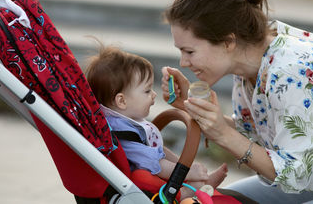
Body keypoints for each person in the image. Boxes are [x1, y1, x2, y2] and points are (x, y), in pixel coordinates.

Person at [161, 0, 313, 203]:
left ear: (228, 42)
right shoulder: (249, 60)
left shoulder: (290, 70)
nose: (183, 63)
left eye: (189, 51)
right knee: (220, 200)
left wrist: (222, 132)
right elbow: (257, 137)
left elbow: (293, 175)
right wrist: (194, 109)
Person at [85, 43, 228, 200]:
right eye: (147, 91)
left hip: (150, 172)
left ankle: (199, 181)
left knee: (162, 151)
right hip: (143, 186)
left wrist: (186, 167)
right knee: (146, 173)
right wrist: (188, 172)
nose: (154, 94)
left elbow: (157, 151)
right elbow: (154, 163)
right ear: (122, 101)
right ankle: (187, 192)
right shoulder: (121, 135)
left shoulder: (124, 120)